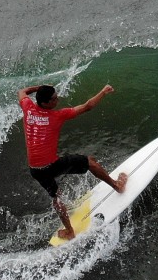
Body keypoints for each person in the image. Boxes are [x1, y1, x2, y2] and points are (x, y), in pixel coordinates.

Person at [17, 84, 127, 240]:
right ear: (45, 103)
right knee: (90, 162)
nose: (58, 100)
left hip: (35, 169)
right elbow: (88, 106)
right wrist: (103, 92)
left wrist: (39, 89)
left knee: (56, 197)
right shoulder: (57, 115)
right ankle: (117, 186)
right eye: (54, 99)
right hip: (52, 166)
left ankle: (69, 231)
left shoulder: (27, 107)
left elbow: (22, 91)